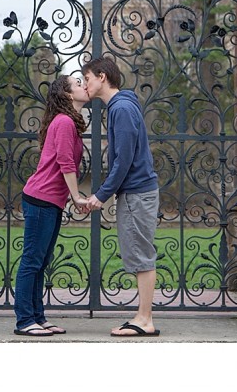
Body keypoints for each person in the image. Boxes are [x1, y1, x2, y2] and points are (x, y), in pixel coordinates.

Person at [81, 56, 161, 337]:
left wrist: (101, 195)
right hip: (135, 193)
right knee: (138, 255)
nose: (85, 85)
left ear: (102, 76)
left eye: (87, 78)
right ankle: (142, 316)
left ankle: (145, 320)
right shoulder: (119, 107)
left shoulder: (122, 108)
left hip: (138, 194)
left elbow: (123, 159)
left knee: (141, 256)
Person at [13, 75, 91, 337]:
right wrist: (77, 197)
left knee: (41, 262)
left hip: (49, 201)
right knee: (32, 261)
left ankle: (38, 317)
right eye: (78, 83)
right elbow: (65, 162)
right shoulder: (65, 121)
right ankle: (24, 321)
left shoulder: (67, 121)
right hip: (41, 199)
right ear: (68, 95)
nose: (84, 85)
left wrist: (69, 197)